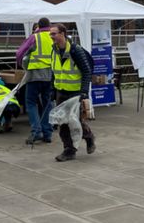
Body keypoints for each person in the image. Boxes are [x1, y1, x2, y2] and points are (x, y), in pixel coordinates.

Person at [49, 23, 96, 162]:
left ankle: (88, 136)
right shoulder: (54, 50)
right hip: (60, 91)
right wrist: (52, 89)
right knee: (62, 122)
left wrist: (84, 92)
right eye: (50, 34)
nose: (51, 37)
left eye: (54, 34)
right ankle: (69, 150)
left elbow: (87, 71)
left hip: (75, 93)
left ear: (62, 34)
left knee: (74, 121)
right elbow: (54, 71)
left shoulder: (76, 50)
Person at [16, 17, 54, 145]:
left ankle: (36, 132)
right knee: (47, 104)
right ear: (49, 25)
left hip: (34, 75)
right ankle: (47, 133)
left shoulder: (34, 37)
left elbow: (20, 52)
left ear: (38, 26)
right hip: (50, 75)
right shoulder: (54, 36)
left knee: (31, 103)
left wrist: (23, 64)